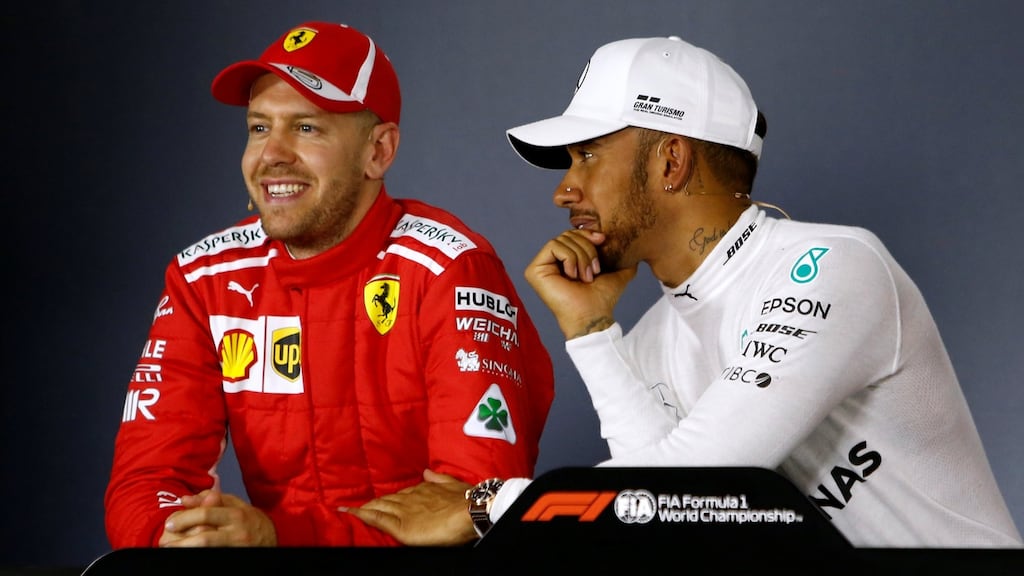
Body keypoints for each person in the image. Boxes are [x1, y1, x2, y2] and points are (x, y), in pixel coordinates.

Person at [348, 35, 1023, 548]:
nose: (564, 190)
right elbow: (664, 522)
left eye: (587, 155)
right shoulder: (651, 341)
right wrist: (592, 335)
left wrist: (487, 504)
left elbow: (702, 477)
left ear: (671, 161)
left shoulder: (833, 265)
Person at [104, 21, 554, 548]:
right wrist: (178, 540)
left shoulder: (449, 269)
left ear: (378, 151)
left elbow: (471, 508)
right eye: (258, 127)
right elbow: (146, 479)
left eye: (306, 128)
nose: (272, 154)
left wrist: (278, 540)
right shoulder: (204, 278)